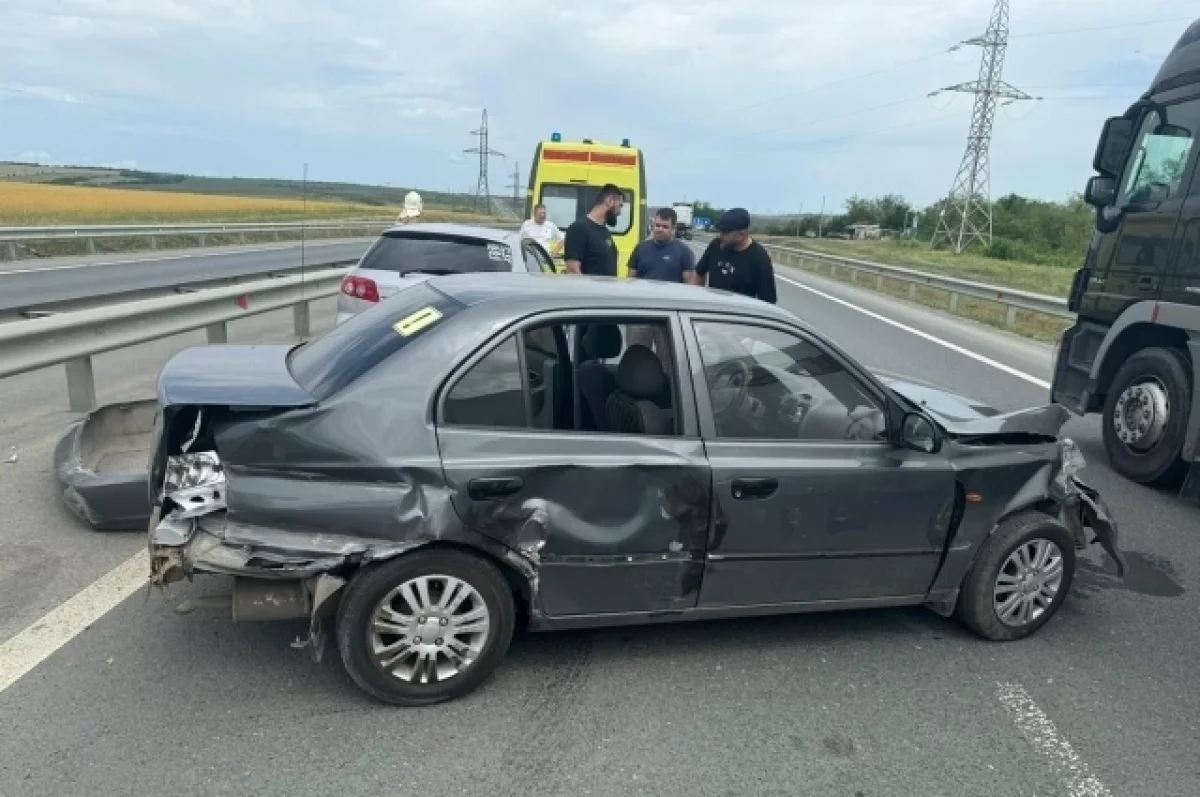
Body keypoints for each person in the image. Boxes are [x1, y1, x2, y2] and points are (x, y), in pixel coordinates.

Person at [695, 207, 777, 303]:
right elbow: (699, 273)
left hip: (738, 315)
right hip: (712, 310)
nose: (719, 235)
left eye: (725, 232)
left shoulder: (760, 259)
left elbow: (768, 301)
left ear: (741, 235)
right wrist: (699, 299)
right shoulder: (715, 245)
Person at [563, 184, 624, 276]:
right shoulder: (578, 229)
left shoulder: (605, 232)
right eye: (620, 205)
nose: (620, 213)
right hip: (590, 290)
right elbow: (572, 271)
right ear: (609, 201)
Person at [627, 207, 696, 284]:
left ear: (673, 229)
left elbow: (690, 285)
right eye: (657, 225)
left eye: (665, 227)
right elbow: (630, 280)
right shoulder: (640, 249)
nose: (660, 229)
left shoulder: (685, 253)